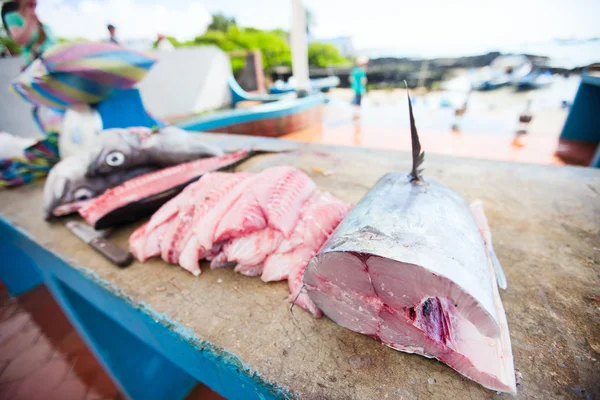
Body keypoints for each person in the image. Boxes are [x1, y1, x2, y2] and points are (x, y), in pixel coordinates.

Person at [3, 0, 56, 64]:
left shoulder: (38, 20)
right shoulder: (12, 16)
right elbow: (21, 40)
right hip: (38, 62)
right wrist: (30, 17)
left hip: (53, 57)